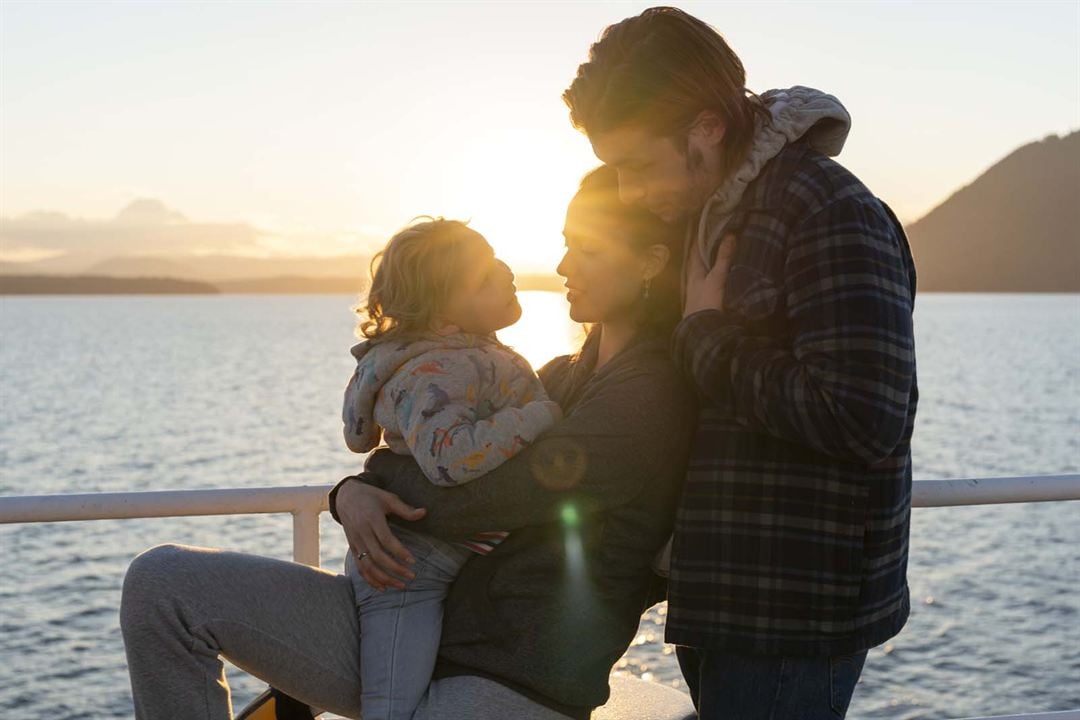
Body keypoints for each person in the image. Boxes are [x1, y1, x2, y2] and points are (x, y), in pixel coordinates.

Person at [119, 165, 696, 719]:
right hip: (421, 618)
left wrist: (363, 490)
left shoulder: (647, 395)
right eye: (567, 243)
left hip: (512, 677)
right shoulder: (562, 376)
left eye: (588, 250)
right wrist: (351, 493)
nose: (564, 263)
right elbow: (444, 454)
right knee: (164, 584)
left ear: (650, 261)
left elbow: (478, 494)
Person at [560, 7, 919, 719]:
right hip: (722, 594)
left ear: (707, 128)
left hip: (789, 612)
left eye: (636, 166)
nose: (629, 193)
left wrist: (706, 335)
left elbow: (865, 417)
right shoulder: (711, 213)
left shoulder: (827, 210)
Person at [339, 217, 561, 720]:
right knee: (389, 709)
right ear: (444, 320)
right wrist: (542, 415)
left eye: (496, 259)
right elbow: (451, 460)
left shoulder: (396, 359)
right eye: (483, 278)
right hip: (405, 572)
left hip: (431, 557)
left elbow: (357, 434)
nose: (505, 274)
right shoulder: (446, 367)